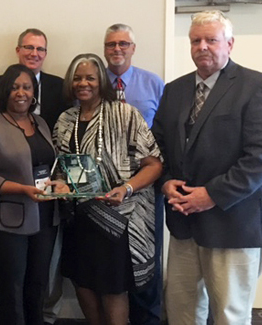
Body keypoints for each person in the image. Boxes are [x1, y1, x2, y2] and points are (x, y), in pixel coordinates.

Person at [152, 10, 262, 324]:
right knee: (182, 310)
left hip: (232, 223)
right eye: (195, 40)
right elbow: (157, 146)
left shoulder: (254, 86)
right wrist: (166, 181)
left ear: (229, 43)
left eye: (211, 40)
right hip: (184, 223)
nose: (202, 46)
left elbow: (258, 159)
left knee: (229, 314)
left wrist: (211, 195)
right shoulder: (175, 89)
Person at [53, 54, 161, 325]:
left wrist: (126, 188)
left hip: (118, 218)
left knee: (113, 288)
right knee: (83, 284)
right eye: (77, 78)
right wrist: (62, 183)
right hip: (79, 219)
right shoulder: (65, 120)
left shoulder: (125, 114)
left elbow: (154, 165)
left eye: (90, 77)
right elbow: (61, 167)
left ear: (102, 80)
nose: (83, 83)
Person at [0, 64, 58, 325]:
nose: (21, 92)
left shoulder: (40, 123)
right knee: (11, 289)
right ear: (5, 91)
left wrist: (59, 183)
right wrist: (23, 189)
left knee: (37, 285)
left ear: (34, 93)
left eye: (27, 87)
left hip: (43, 217)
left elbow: (49, 164)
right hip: (6, 221)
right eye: (15, 87)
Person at [103, 23, 165, 325]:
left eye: (123, 44)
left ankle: (148, 320)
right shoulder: (91, 82)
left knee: (147, 260)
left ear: (133, 48)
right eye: (111, 44)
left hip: (144, 187)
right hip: (103, 191)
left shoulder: (154, 84)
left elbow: (164, 137)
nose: (117, 49)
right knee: (113, 265)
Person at [0, 28, 66, 131]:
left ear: (45, 54)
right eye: (29, 47)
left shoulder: (60, 87)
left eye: (40, 49)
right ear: (18, 50)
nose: (34, 54)